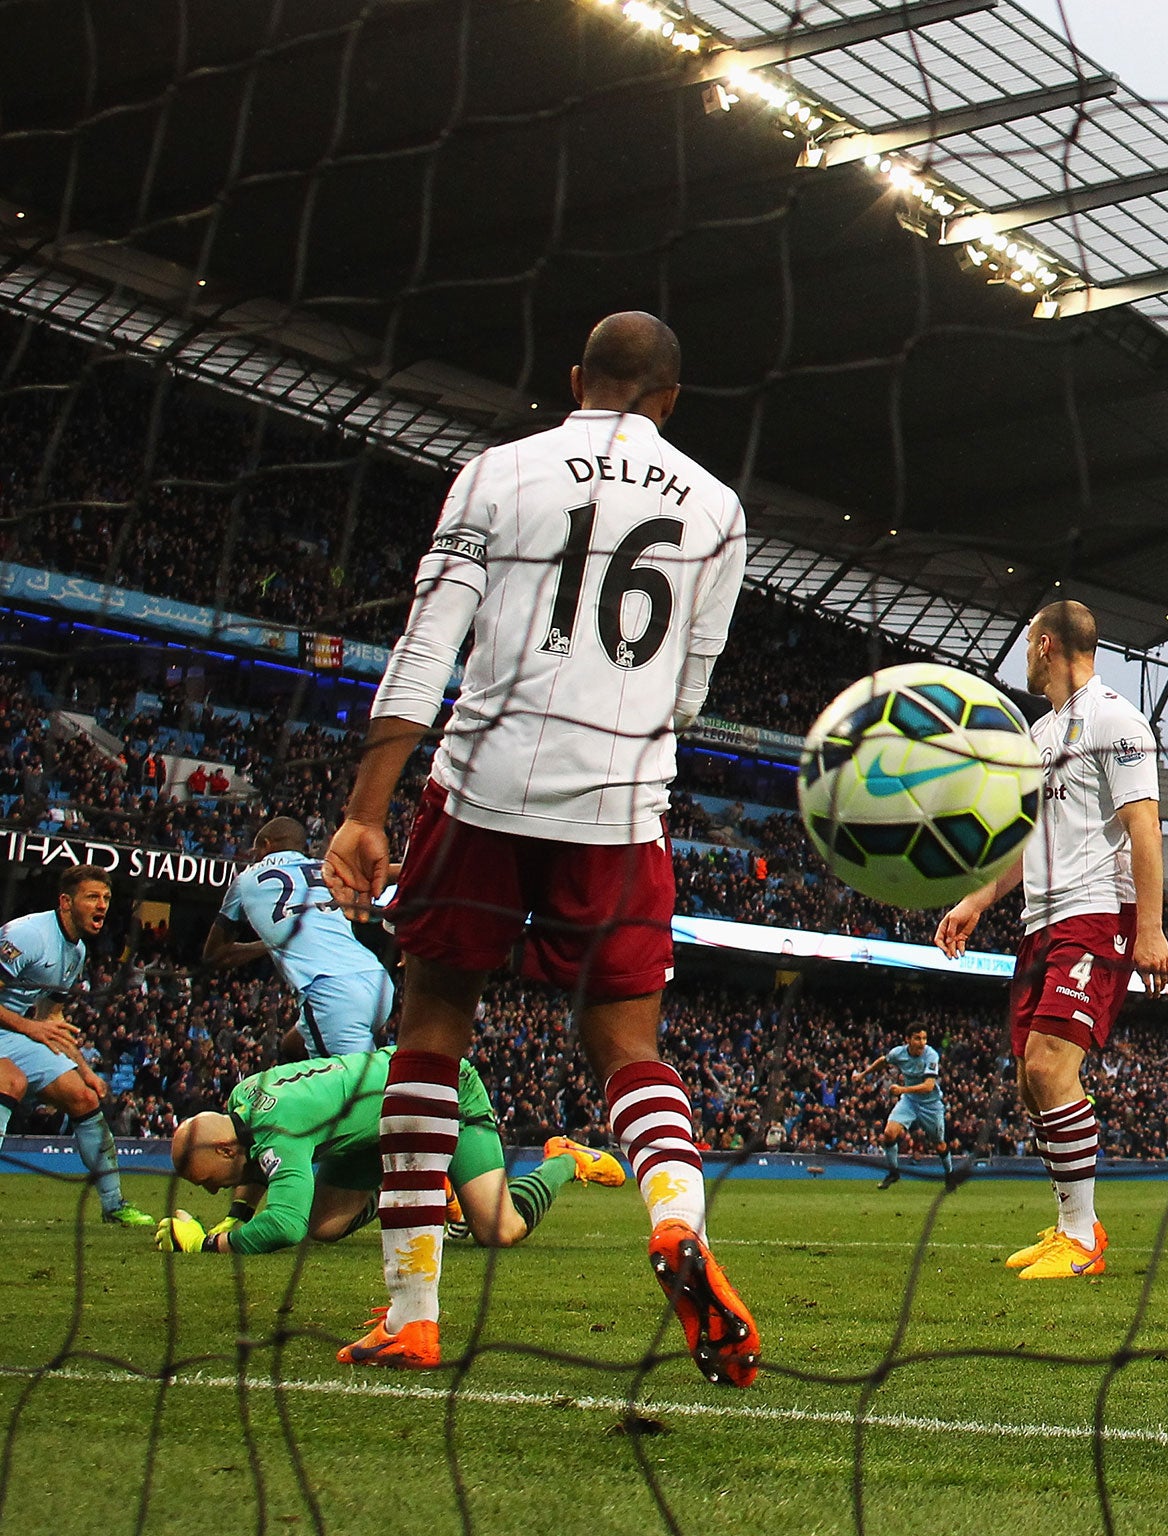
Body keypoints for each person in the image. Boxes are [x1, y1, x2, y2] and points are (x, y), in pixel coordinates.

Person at [322, 311, 756, 1379]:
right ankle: (674, 1222)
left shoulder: (495, 473)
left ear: (575, 380)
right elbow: (690, 693)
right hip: (615, 805)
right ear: (670, 399)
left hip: (480, 787)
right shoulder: (716, 507)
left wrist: (367, 809)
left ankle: (413, 1310)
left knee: (430, 1026)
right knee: (626, 1048)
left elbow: (427, 644)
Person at [937, 600, 1168, 1281]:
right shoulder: (1042, 733)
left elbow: (1145, 825)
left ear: (1045, 644)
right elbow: (1028, 841)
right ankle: (1075, 1221)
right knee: (1030, 1084)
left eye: (1026, 645)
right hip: (1042, 921)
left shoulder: (1115, 720)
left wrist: (1151, 928)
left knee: (1049, 1069)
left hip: (1098, 914)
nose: (1023, 656)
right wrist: (979, 900)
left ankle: (1082, 1238)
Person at [158, 1048, 622, 1257]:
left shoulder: (278, 1131)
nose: (212, 1191)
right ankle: (429, 1190)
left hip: (441, 1091)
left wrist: (209, 1243)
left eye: (207, 1181)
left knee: (500, 1231)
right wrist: (239, 1214)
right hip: (376, 1126)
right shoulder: (244, 1098)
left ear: (223, 1148)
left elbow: (284, 1225)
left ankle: (564, 1159)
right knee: (326, 1227)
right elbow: (255, 1155)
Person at [0, 864, 151, 1227]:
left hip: (12, 1032)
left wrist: (86, 1071)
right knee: (11, 1082)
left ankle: (114, 1206)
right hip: (15, 1030)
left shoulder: (76, 953)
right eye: (92, 897)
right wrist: (31, 1028)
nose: (102, 905)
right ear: (66, 902)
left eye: (106, 898)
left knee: (84, 1097)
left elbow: (51, 1019)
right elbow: (37, 1026)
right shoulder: (27, 934)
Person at [205, 817, 395, 1060]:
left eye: (255, 850)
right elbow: (379, 877)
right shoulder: (326, 868)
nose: (254, 856)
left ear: (266, 844)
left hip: (332, 994)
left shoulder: (244, 880)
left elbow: (214, 955)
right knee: (291, 1048)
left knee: (358, 1092)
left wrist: (271, 942)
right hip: (377, 982)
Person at [853, 1025, 955, 1189]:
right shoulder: (898, 1053)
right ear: (908, 1039)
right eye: (917, 1038)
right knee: (888, 1133)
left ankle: (949, 1174)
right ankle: (894, 1173)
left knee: (939, 1144)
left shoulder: (931, 1056)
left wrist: (902, 1089)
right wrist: (863, 1075)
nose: (922, 1042)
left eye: (924, 1038)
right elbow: (883, 1061)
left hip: (931, 1105)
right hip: (909, 1101)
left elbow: (929, 1086)